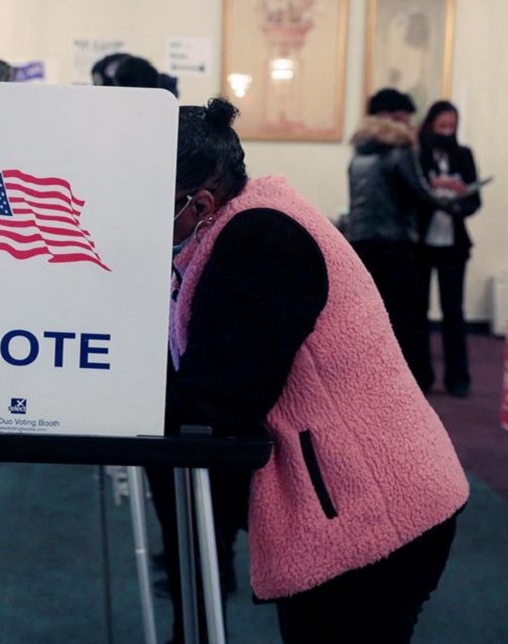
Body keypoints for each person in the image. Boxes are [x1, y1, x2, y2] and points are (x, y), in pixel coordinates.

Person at [157, 97, 468, 643]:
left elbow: (223, 397)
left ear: (199, 202)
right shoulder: (244, 219)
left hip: (372, 509)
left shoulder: (261, 240)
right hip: (356, 497)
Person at [344, 88, 462, 391]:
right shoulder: (400, 150)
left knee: (369, 315)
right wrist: (450, 202)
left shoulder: (359, 153)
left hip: (361, 242)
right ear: (395, 116)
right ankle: (409, 381)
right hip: (395, 244)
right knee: (403, 315)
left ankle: (368, 379)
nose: (411, 122)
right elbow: (419, 191)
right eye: (407, 115)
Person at [415, 100, 482, 397]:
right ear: (430, 125)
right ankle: (421, 376)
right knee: (418, 311)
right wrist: (433, 194)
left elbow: (475, 200)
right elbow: (411, 195)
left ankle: (458, 378)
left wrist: (457, 201)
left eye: (452, 126)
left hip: (454, 243)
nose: (447, 131)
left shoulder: (463, 154)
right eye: (441, 126)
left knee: (453, 311)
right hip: (421, 244)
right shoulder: (417, 155)